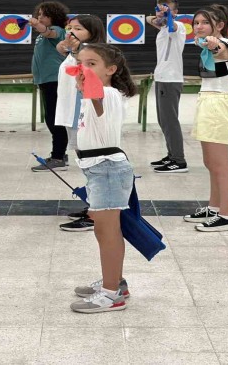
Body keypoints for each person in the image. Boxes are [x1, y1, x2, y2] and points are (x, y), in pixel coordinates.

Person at [69, 43, 138, 313]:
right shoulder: (96, 95)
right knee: (103, 230)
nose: (84, 68)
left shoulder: (107, 94)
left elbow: (97, 94)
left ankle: (111, 295)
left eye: (92, 63)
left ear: (111, 69)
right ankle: (115, 281)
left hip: (107, 168)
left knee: (108, 232)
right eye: (81, 63)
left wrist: (85, 82)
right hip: (98, 168)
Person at [182, 5, 228, 232]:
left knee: (220, 164)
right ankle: (215, 208)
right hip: (208, 102)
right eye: (196, 22)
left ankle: (227, 216)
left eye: (205, 22)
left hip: (217, 105)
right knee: (210, 162)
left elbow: (220, 50)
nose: (199, 26)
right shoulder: (206, 44)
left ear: (220, 25)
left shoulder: (225, 45)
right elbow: (205, 44)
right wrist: (206, 42)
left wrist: (214, 45)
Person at [54, 15, 106, 232]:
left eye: (78, 28)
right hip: (73, 114)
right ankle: (94, 206)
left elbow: (86, 68)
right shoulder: (77, 50)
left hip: (85, 115)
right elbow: (63, 51)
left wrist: (74, 50)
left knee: (93, 163)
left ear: (92, 32)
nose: (71, 32)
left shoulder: (94, 53)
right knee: (86, 163)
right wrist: (68, 47)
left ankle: (98, 213)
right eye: (70, 27)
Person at [146, 0, 188, 173]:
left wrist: (167, 15)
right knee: (163, 121)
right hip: (162, 78)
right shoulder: (163, 27)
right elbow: (149, 19)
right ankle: (172, 155)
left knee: (170, 121)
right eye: (158, 8)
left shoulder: (178, 27)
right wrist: (160, 16)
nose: (160, 12)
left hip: (171, 79)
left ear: (175, 12)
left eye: (167, 9)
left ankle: (179, 160)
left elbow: (173, 25)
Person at [29, 1, 70, 172]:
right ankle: (61, 154)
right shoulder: (42, 34)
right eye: (39, 15)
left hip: (54, 80)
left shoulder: (57, 30)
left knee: (54, 119)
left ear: (54, 17)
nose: (40, 18)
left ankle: (58, 158)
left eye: (44, 15)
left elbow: (49, 32)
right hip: (45, 80)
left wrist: (37, 25)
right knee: (51, 117)